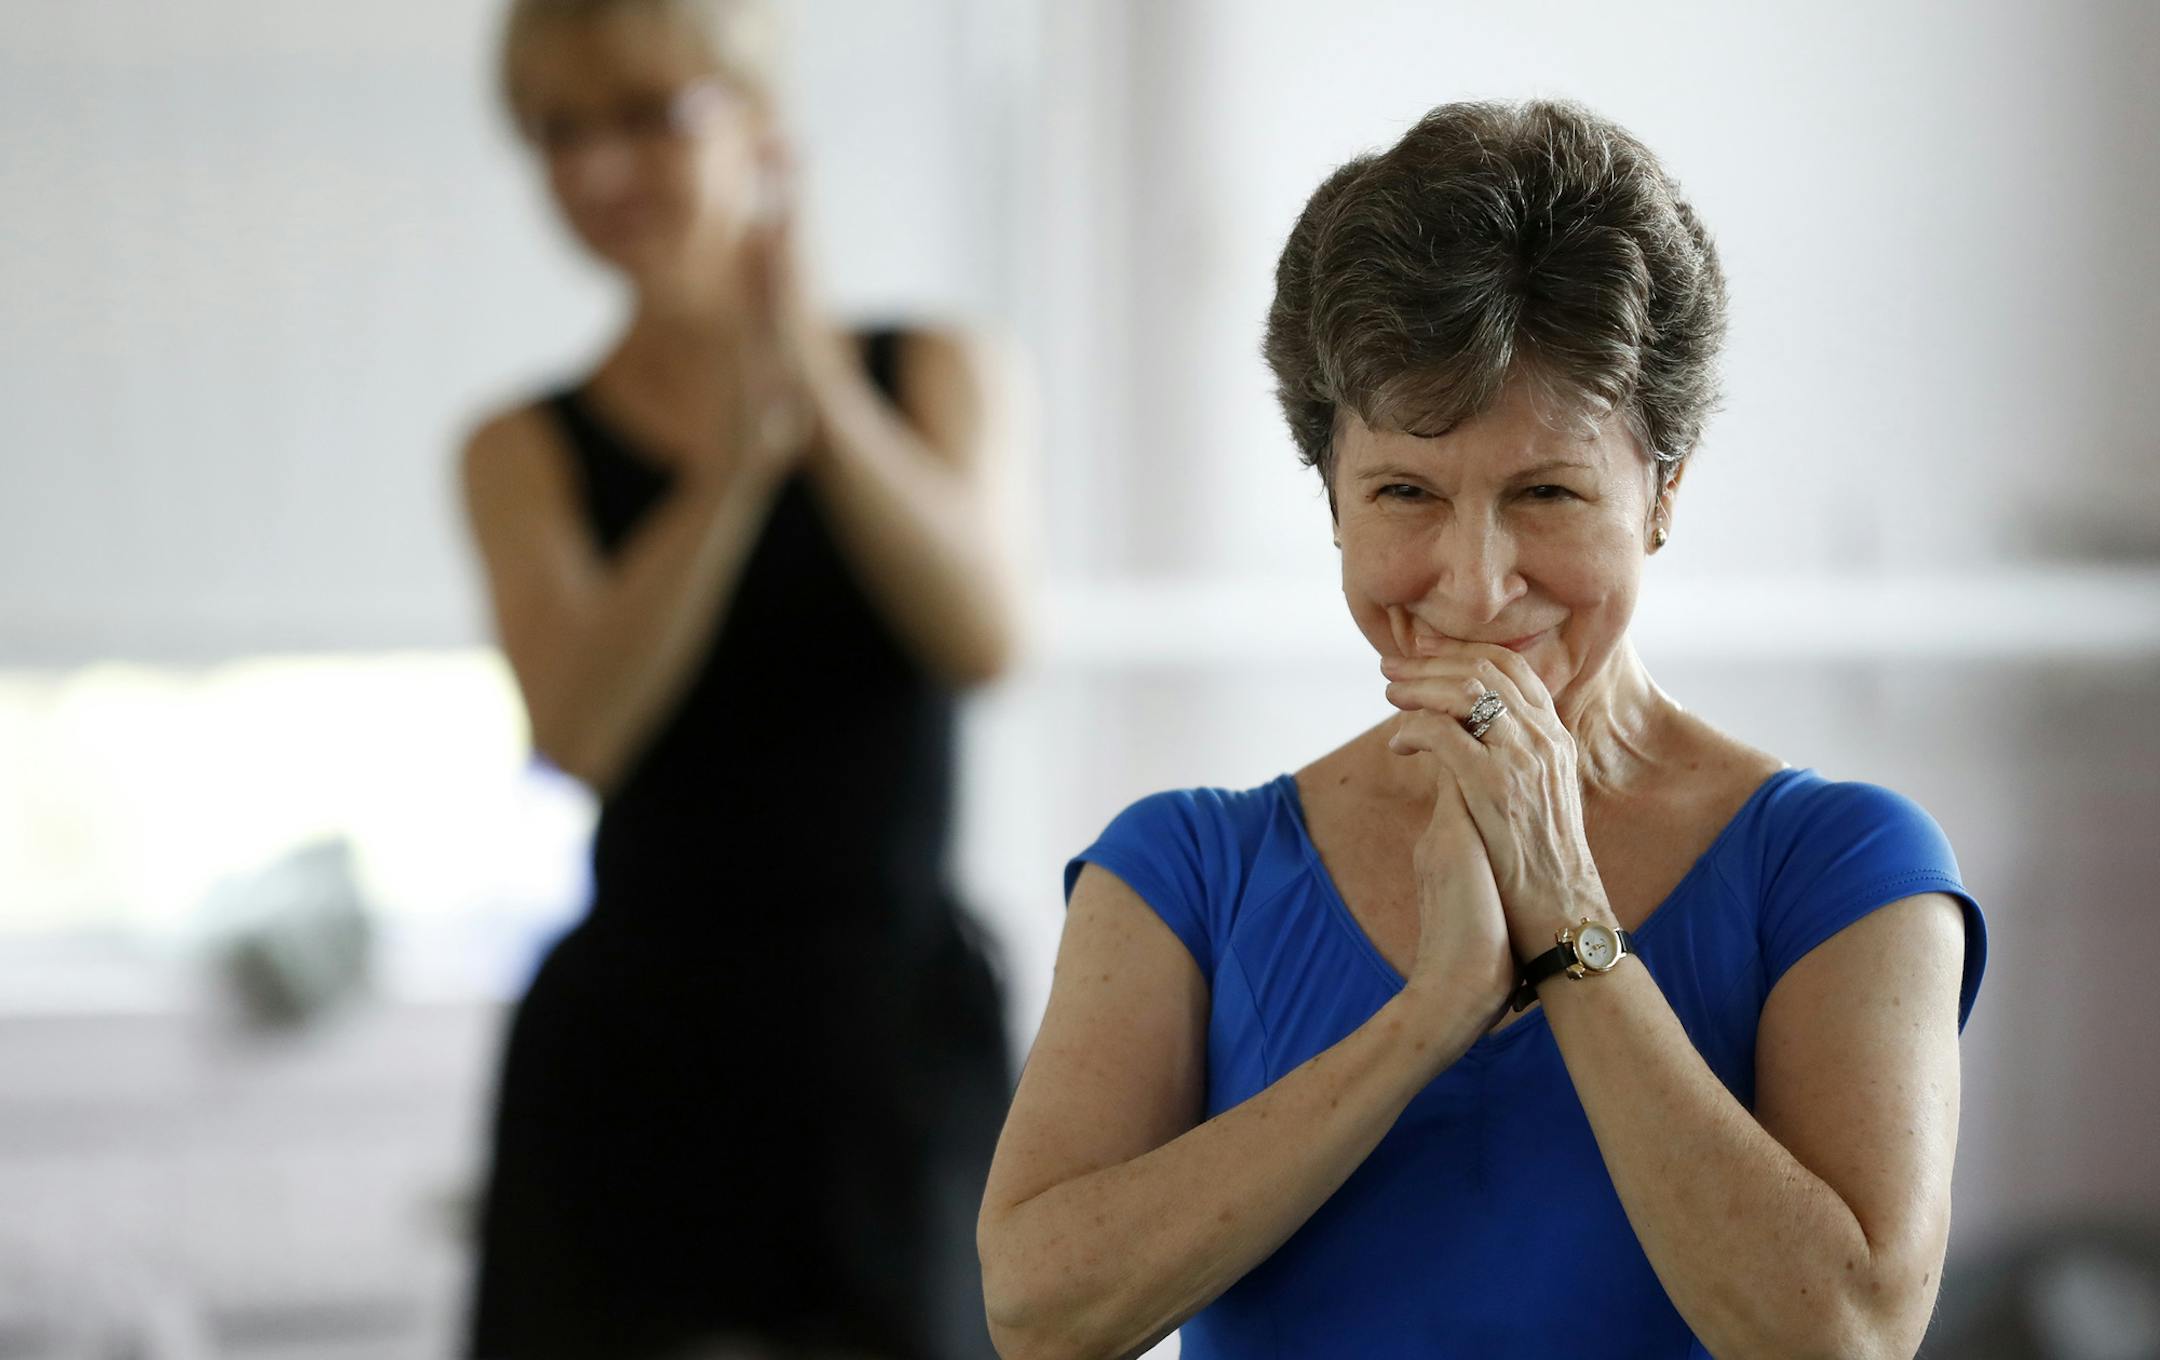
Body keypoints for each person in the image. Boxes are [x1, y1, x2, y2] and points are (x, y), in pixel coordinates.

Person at [977, 100, 1988, 1359]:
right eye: (1405, 491)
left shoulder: (1845, 866)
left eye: (1548, 492)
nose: (1473, 583)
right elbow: (1037, 1308)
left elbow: (1841, 1331)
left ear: (1664, 490)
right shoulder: (1187, 871)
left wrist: (1562, 911)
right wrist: (1428, 1016)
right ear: (1332, 502)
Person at [456, 2, 1022, 1356]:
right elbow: (579, 730)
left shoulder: (935, 371)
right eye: (557, 132)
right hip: (636, 1064)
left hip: (889, 1048)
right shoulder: (519, 448)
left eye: (647, 115)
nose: (597, 172)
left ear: (762, 127)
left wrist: (814, 391)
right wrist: (729, 468)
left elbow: (987, 635)